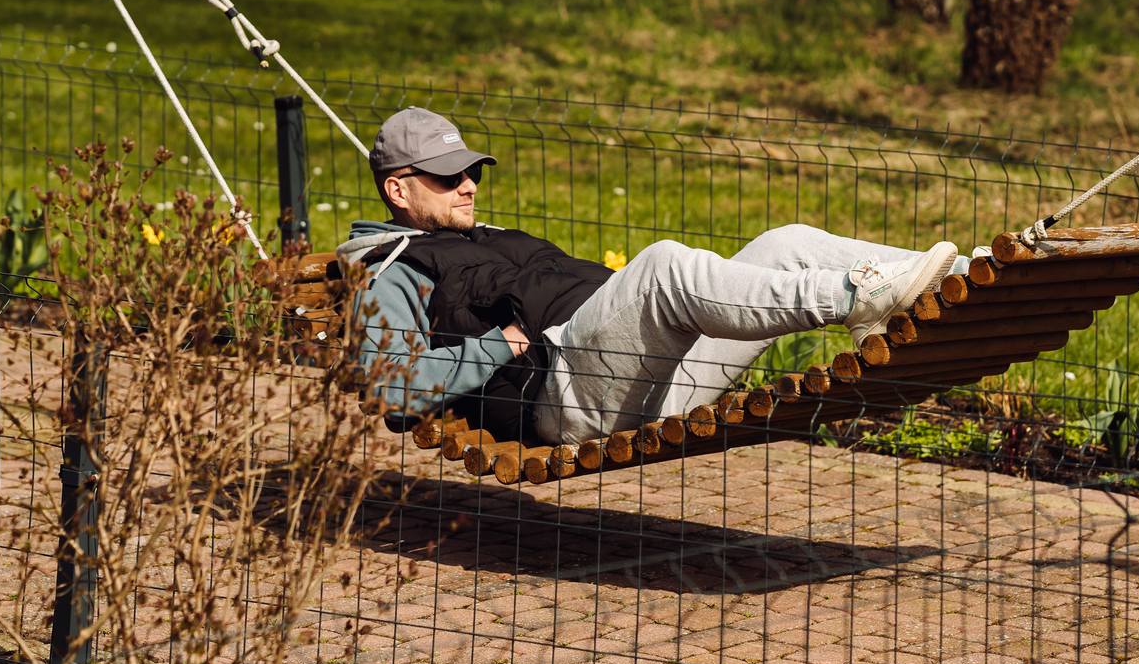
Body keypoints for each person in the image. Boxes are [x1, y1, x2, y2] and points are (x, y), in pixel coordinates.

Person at [338, 107, 968, 446]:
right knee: (664, 265)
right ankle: (860, 297)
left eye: (471, 170)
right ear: (398, 189)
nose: (469, 184)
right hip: (562, 393)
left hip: (641, 373)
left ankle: (965, 279)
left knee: (787, 243)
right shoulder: (391, 270)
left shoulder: (481, 236)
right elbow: (390, 390)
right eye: (448, 176)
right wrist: (499, 344)